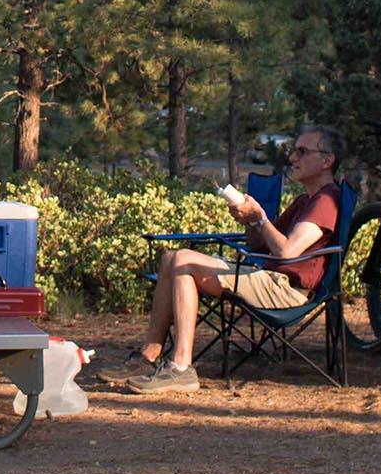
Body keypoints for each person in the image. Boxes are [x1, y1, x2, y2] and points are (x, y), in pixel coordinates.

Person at [131, 126, 345, 394]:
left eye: (302, 152)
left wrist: (260, 217)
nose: (293, 158)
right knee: (170, 258)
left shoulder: (326, 201)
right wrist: (250, 222)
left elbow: (287, 252)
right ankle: (148, 358)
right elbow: (260, 244)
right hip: (268, 277)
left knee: (183, 260)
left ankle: (181, 368)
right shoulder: (305, 200)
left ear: (327, 160)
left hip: (286, 290)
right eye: (294, 151)